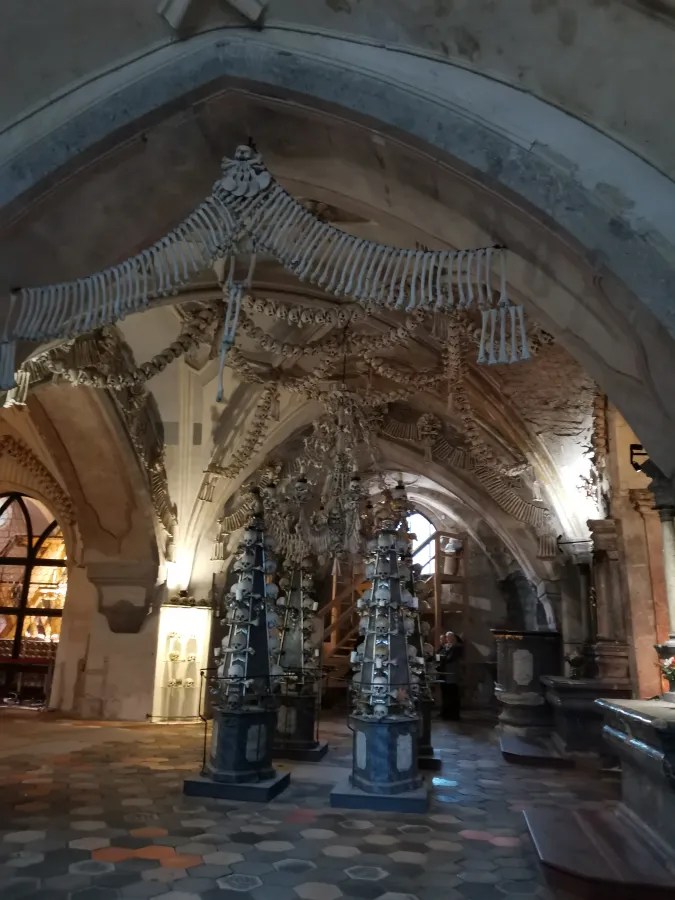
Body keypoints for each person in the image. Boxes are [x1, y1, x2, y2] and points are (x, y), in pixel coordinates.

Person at [438, 631, 464, 721]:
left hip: (452, 675)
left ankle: (454, 714)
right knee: (445, 694)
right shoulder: (446, 646)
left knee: (453, 695)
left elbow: (449, 658)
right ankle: (445, 713)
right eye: (446, 637)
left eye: (449, 637)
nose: (447, 639)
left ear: (453, 638)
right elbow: (438, 656)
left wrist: (442, 657)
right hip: (444, 674)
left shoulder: (457, 647)